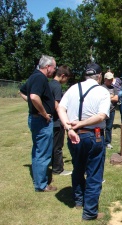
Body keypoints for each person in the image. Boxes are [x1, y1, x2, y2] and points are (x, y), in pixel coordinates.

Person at [57, 63, 110, 221]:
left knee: (78, 168)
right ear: (99, 76)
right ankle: (90, 212)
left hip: (74, 136)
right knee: (94, 173)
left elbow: (60, 108)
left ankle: (79, 201)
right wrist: (79, 124)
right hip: (93, 136)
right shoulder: (102, 91)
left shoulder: (73, 88)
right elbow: (101, 116)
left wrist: (69, 128)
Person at [19, 55, 57, 192]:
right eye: (54, 67)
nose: (54, 70)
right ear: (48, 67)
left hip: (35, 119)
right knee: (43, 152)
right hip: (42, 120)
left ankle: (39, 181)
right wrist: (44, 113)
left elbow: (23, 92)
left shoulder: (33, 76)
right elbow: (34, 97)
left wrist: (33, 105)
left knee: (37, 151)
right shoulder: (40, 78)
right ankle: (41, 185)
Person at [49, 65, 72, 176]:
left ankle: (52, 165)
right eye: (67, 78)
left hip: (49, 121)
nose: (66, 80)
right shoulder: (57, 87)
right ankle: (58, 169)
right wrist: (64, 121)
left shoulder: (49, 84)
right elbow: (56, 106)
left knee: (52, 145)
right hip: (57, 121)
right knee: (57, 146)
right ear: (63, 76)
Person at [102, 71, 119, 149]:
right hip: (102, 111)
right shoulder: (101, 88)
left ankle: (107, 142)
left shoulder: (114, 88)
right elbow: (100, 98)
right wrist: (111, 96)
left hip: (111, 110)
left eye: (111, 79)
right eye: (108, 79)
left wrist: (109, 97)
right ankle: (101, 142)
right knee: (101, 127)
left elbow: (116, 98)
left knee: (109, 127)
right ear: (105, 79)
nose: (110, 81)